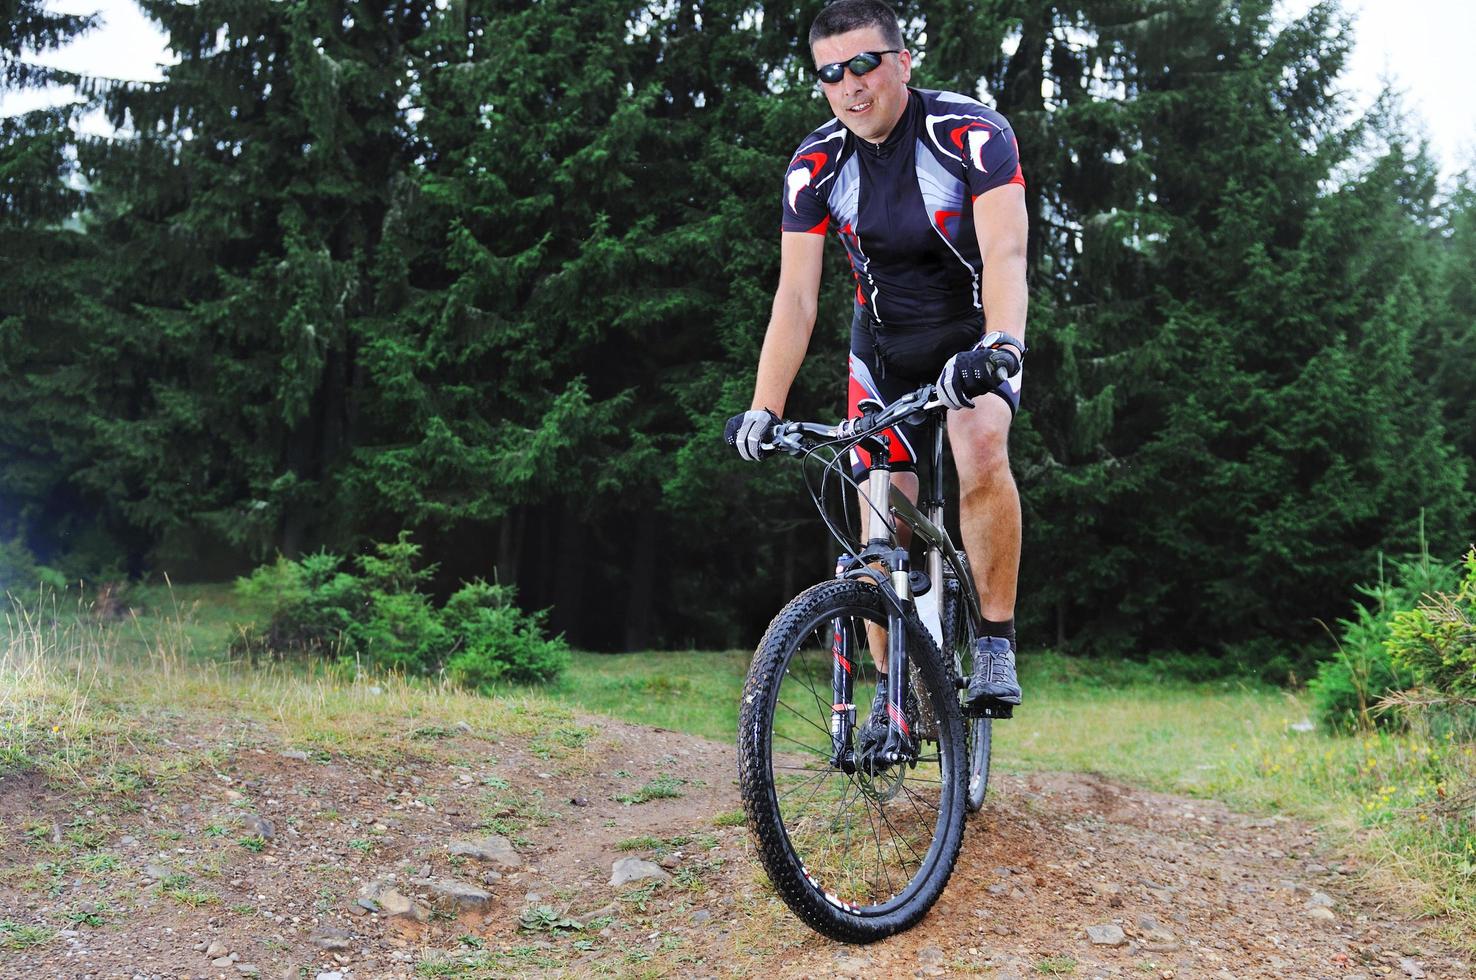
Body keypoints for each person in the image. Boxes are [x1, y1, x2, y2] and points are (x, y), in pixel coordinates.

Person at [727, 0, 1029, 747]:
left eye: (864, 64)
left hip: (970, 336)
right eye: (830, 72)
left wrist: (1001, 344)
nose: (850, 85)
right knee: (876, 525)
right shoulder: (815, 163)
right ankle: (896, 700)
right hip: (884, 352)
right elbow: (796, 297)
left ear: (902, 61)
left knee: (980, 448)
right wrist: (765, 407)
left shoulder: (969, 133)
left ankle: (992, 639)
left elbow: (1006, 256)